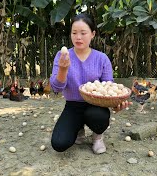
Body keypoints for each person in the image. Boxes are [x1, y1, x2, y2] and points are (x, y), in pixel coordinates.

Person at [50, 13, 132, 154]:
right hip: (73, 105)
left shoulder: (101, 58)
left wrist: (117, 103)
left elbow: (108, 87)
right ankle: (78, 129)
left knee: (98, 117)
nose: (78, 37)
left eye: (83, 33)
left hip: (96, 106)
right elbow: (56, 88)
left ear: (93, 34)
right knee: (59, 143)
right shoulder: (62, 56)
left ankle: (97, 136)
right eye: (74, 33)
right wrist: (63, 69)